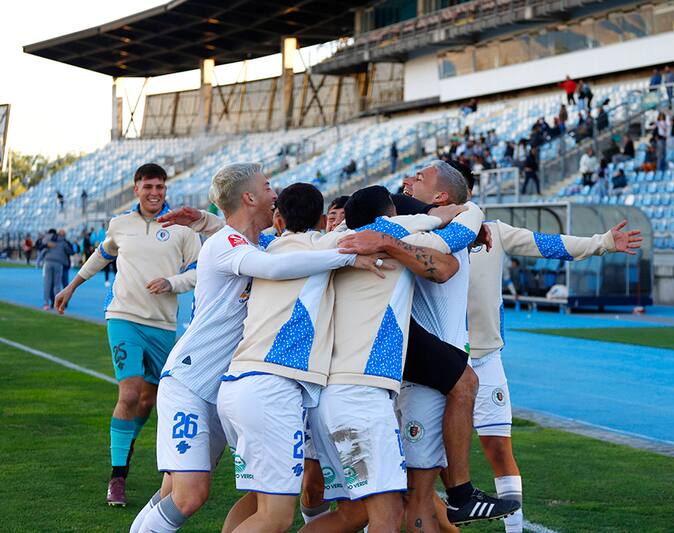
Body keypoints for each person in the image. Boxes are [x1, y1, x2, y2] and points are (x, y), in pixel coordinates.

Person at [131, 171, 392, 533]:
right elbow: (273, 267)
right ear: (250, 199)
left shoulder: (260, 242)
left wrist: (204, 219)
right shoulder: (230, 244)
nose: (274, 194)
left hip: (225, 386)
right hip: (192, 381)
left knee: (197, 491)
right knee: (189, 495)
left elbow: (283, 247)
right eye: (267, 186)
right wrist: (345, 259)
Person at [343, 164, 520, 527]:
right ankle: (461, 494)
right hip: (424, 374)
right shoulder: (428, 225)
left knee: (416, 495)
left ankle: (460, 495)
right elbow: (442, 261)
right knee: (407, 498)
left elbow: (449, 237)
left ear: (441, 197)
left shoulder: (455, 218)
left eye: (418, 178)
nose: (406, 181)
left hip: (431, 366)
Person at [467, 208, 641, 533]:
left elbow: (548, 244)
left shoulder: (494, 231)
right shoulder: (427, 233)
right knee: (430, 458)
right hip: (443, 361)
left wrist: (601, 242)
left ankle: (514, 530)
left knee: (498, 447)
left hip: (487, 359)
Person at [55, 163, 201, 507]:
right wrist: (72, 286)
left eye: (160, 187)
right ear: (136, 189)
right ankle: (117, 477)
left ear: (166, 190)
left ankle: (126, 452)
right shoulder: (120, 224)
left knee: (149, 400)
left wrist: (173, 282)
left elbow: (198, 271)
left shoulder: (182, 228)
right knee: (130, 392)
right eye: (148, 186)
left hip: (163, 325)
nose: (154, 193)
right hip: (123, 318)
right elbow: (102, 255)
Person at [42, 229, 71, 310]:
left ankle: (46, 303)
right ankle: (57, 303)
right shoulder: (64, 242)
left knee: (47, 283)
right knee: (57, 284)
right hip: (58, 263)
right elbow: (70, 251)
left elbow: (42, 243)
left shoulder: (49, 239)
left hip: (48, 261)